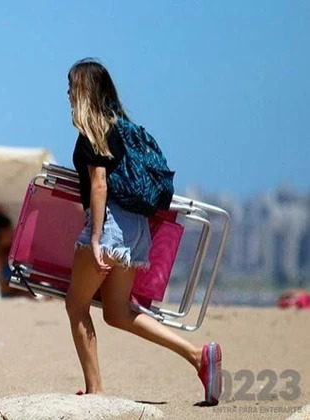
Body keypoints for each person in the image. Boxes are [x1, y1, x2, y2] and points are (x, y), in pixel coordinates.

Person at [63, 58, 222, 404]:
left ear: (85, 90)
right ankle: (197, 356)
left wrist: (95, 238)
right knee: (118, 313)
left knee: (76, 306)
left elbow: (99, 185)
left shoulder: (92, 129)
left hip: (109, 228)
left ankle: (95, 391)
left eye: (71, 85)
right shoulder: (124, 128)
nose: (67, 92)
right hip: (136, 230)